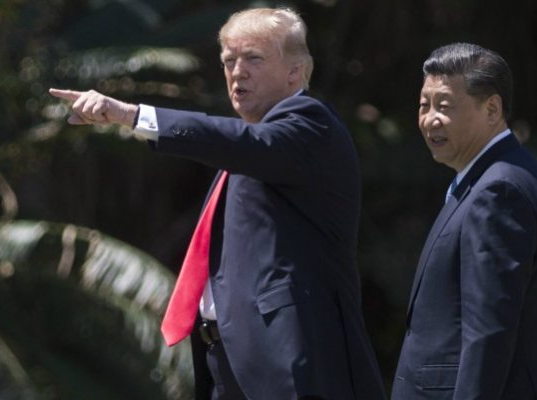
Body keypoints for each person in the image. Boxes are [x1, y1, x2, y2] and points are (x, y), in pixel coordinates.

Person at [50, 7, 387, 400]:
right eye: (229, 61)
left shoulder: (309, 123)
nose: (237, 71)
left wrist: (132, 115)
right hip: (228, 359)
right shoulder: (253, 144)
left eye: (254, 59)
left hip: (288, 362)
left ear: (295, 72)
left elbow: (242, 145)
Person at [391, 43, 537, 399]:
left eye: (444, 106)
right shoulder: (489, 178)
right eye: (424, 105)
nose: (430, 119)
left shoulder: (499, 190)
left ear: (492, 109)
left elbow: (490, 331)